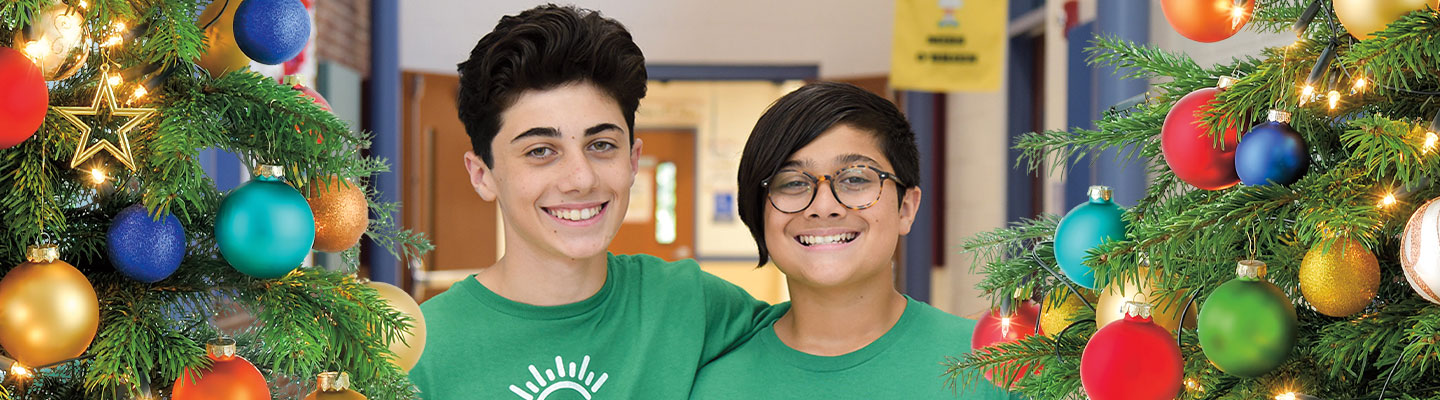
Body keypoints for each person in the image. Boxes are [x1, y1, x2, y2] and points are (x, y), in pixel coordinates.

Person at [408, 5, 773, 399]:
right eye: (540, 151)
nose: (580, 179)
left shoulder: (694, 308)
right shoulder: (419, 352)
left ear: (632, 161)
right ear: (482, 175)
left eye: (601, 145)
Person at [690, 82, 1020, 398]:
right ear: (759, 215)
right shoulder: (711, 385)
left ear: (906, 207)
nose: (823, 206)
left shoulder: (993, 364)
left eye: (855, 178)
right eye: (792, 183)